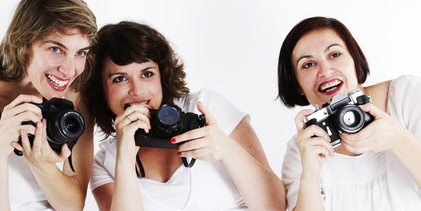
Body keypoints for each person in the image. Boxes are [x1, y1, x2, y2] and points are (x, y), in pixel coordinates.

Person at [82, 21, 286, 211]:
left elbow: (275, 206)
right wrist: (125, 158)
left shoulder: (206, 108)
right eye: (119, 78)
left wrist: (226, 148)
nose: (137, 90)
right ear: (101, 89)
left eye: (147, 74)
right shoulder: (105, 162)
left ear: (163, 75)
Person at [277, 16, 421, 211]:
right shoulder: (301, 149)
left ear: (355, 59)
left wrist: (398, 139)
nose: (325, 70)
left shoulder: (406, 97)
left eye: (334, 54)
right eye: (308, 64)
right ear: (297, 85)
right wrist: (310, 177)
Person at [0, 0, 97, 210]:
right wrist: (0, 150)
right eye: (56, 49)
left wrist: (41, 164)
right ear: (22, 45)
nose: (69, 71)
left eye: (80, 53)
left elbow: (73, 206)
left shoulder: (76, 98)